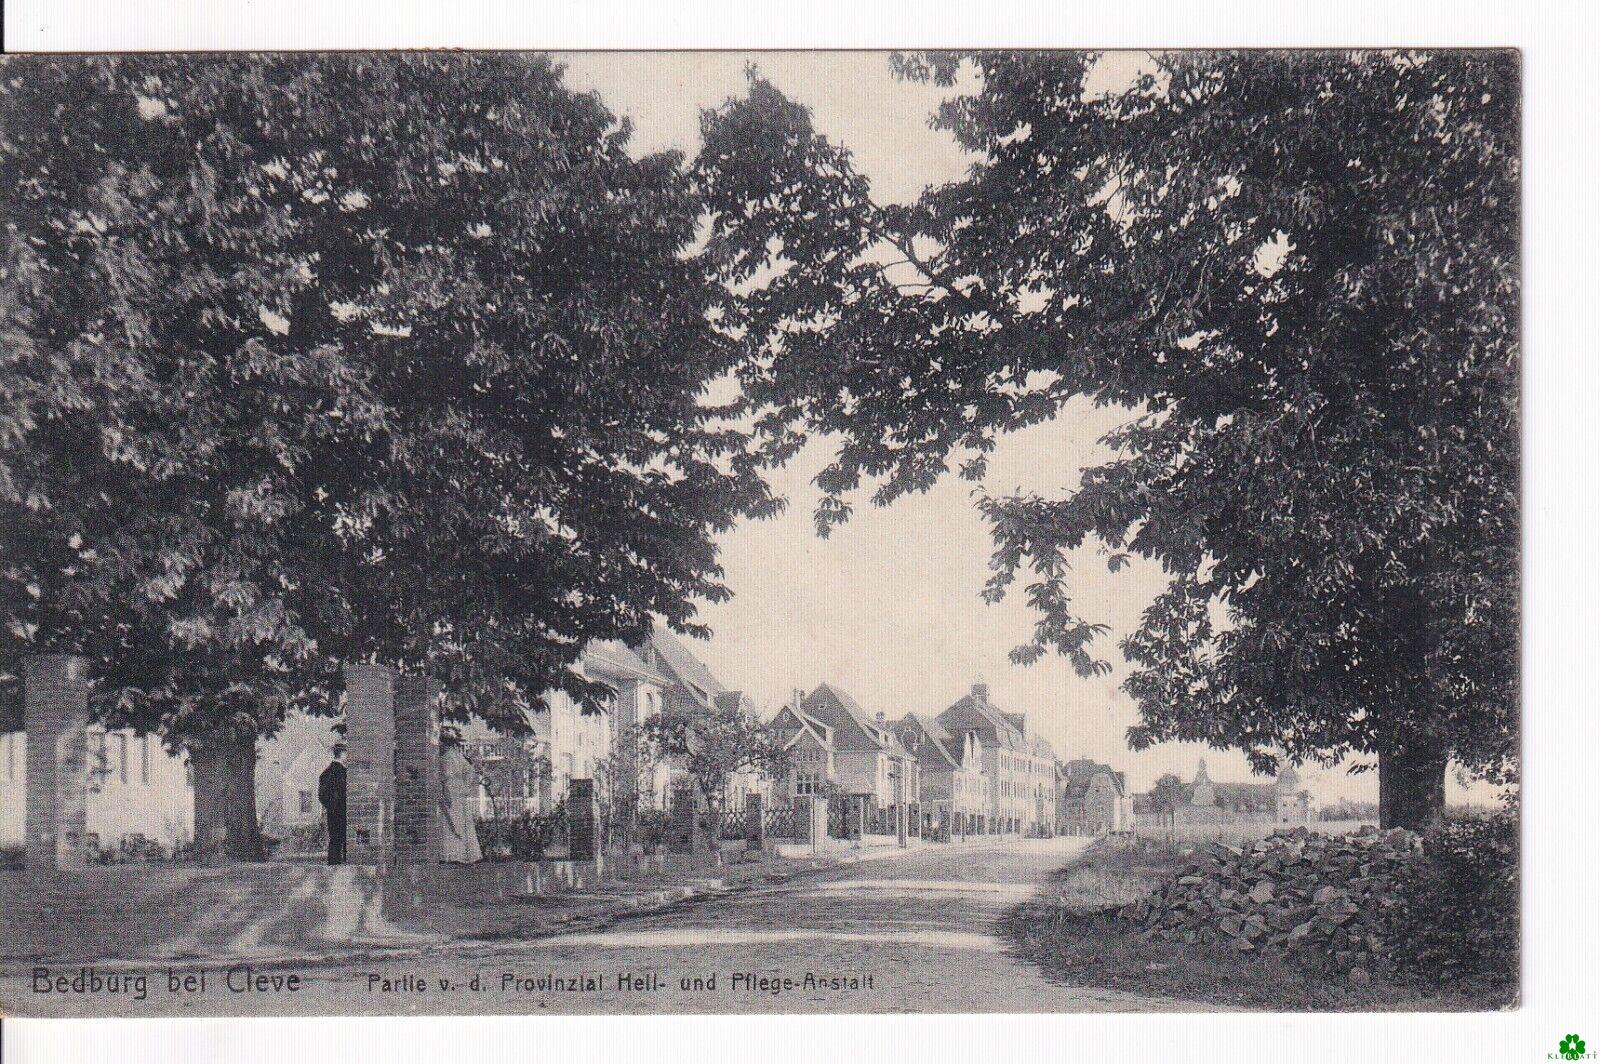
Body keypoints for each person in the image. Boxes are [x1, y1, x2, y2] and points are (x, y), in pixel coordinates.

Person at [438, 738, 482, 864]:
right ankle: (459, 854)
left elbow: (467, 771)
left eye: (442, 744)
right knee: (456, 821)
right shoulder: (457, 756)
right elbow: (470, 771)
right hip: (458, 790)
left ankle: (454, 855)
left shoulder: (446, 758)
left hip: (451, 790)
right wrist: (465, 787)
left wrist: (461, 788)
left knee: (453, 820)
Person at [318, 745, 347, 865]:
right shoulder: (343, 773)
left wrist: (330, 806)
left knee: (334, 840)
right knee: (345, 840)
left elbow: (322, 795)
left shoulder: (325, 773)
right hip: (344, 811)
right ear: (343, 754)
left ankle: (332, 867)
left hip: (332, 812)